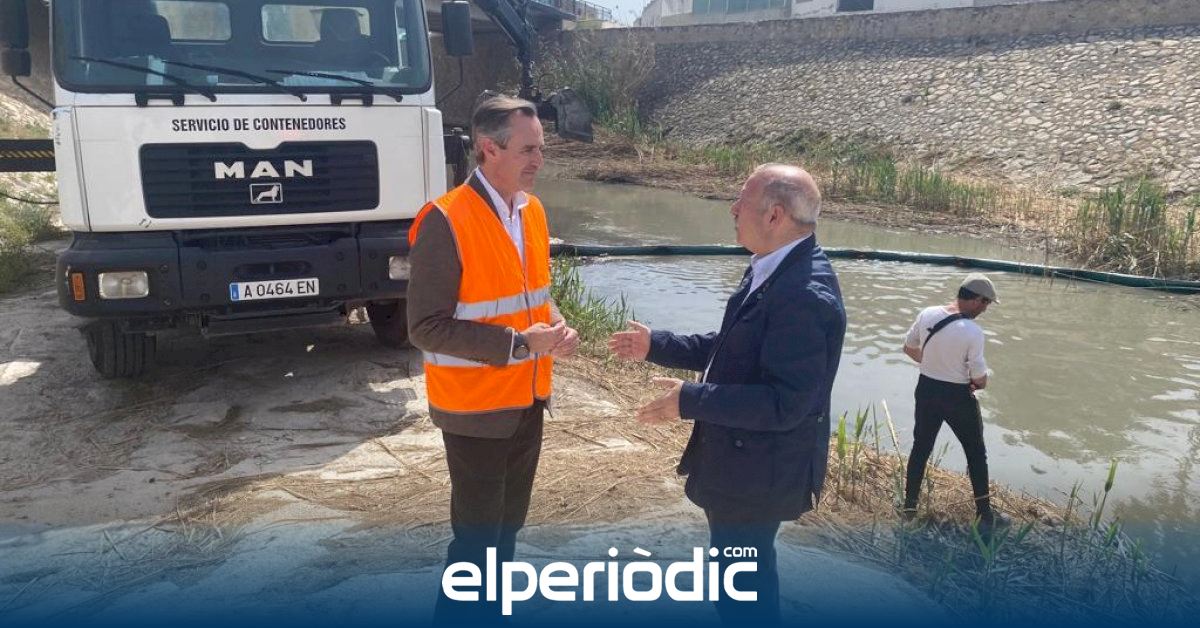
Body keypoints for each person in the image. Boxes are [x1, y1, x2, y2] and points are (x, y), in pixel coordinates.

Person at [609, 164, 846, 625]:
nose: (733, 210)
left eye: (742, 202)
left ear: (774, 215)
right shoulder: (773, 266)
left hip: (760, 474)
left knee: (743, 592)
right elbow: (733, 347)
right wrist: (657, 345)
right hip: (745, 462)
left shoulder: (803, 293)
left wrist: (690, 399)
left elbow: (786, 403)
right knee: (739, 583)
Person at [406, 95, 579, 623]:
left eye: (541, 148)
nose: (539, 160)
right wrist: (520, 344)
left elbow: (534, 294)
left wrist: (557, 327)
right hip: (475, 411)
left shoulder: (532, 211)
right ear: (489, 149)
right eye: (528, 150)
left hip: (528, 400)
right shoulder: (444, 220)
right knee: (477, 544)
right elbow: (425, 327)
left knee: (507, 532)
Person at [900, 273, 1002, 532]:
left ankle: (909, 508)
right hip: (957, 397)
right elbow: (979, 378)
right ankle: (984, 514)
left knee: (921, 448)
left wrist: (933, 364)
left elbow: (909, 347)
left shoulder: (927, 314)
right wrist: (980, 382)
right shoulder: (973, 332)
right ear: (977, 300)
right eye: (986, 304)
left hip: (926, 389)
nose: (985, 309)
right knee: (975, 452)